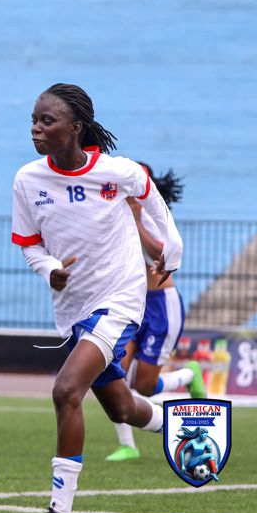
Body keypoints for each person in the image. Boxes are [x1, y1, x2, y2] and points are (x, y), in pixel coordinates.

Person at [11, 83, 182, 513]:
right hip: (73, 311)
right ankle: (181, 426)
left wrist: (173, 250)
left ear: (75, 128)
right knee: (122, 409)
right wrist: (50, 270)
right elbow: (29, 244)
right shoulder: (27, 179)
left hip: (120, 301)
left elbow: (153, 202)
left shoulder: (117, 172)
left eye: (47, 121)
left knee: (67, 390)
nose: (36, 128)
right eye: (33, 120)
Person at [105, 162, 205, 462]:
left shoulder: (150, 214)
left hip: (161, 304)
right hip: (131, 303)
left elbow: (163, 253)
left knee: (145, 386)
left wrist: (136, 220)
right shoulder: (115, 213)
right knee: (113, 369)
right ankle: (127, 445)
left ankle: (189, 374)